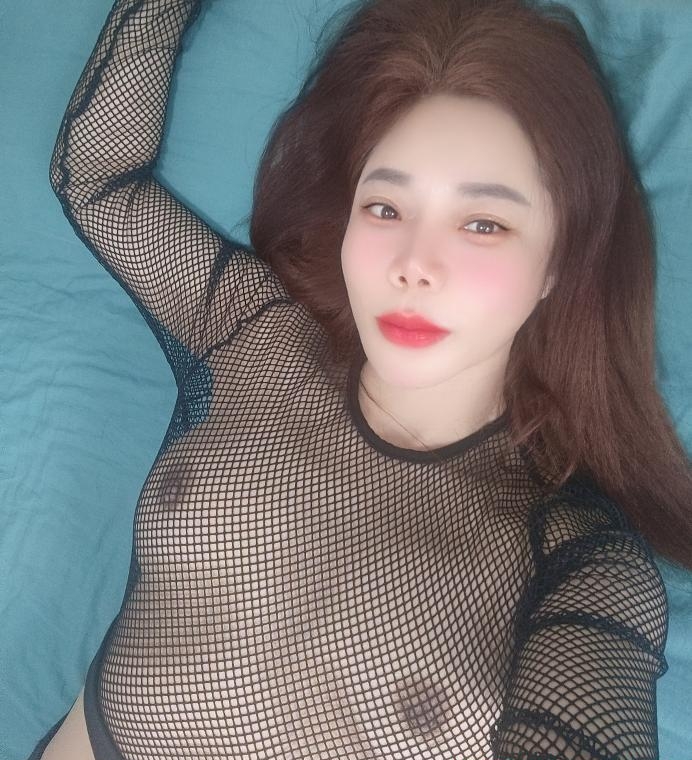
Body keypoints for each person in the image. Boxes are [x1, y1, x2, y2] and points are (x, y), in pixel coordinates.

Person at [31, 0, 692, 757]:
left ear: (558, 267)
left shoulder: (575, 557)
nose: (414, 264)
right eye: (384, 207)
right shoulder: (257, 332)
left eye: (483, 223)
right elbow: (99, 183)